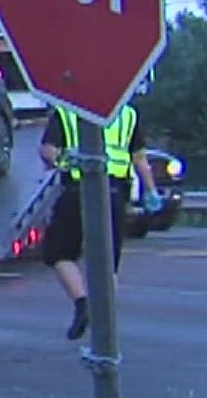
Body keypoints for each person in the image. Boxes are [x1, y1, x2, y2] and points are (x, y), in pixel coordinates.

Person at [38, 100, 159, 339]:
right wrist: (151, 191)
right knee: (108, 262)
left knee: (58, 252)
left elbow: (47, 150)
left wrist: (63, 161)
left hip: (77, 189)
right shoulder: (127, 115)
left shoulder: (68, 111)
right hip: (113, 194)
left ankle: (83, 303)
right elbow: (140, 159)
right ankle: (104, 322)